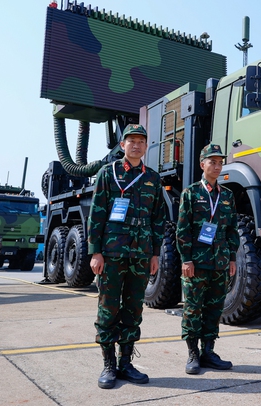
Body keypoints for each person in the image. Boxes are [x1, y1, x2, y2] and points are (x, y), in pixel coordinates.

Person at [87, 124, 164, 389]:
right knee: (108, 308)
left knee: (133, 309)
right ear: (122, 145)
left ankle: (126, 363)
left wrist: (155, 254)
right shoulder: (107, 174)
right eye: (131, 140)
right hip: (112, 253)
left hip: (141, 255)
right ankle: (109, 364)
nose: (136, 145)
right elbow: (96, 214)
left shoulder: (153, 178)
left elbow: (158, 220)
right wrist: (95, 252)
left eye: (141, 141)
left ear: (146, 146)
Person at [176, 143, 239, 375]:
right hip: (197, 262)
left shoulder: (228, 196)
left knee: (214, 308)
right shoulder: (191, 193)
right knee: (193, 308)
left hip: (220, 262)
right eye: (212, 162)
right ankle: (193, 353)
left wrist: (232, 258)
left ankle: (209, 351)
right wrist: (186, 259)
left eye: (220, 162)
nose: (217, 166)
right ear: (202, 164)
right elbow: (182, 229)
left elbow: (232, 230)